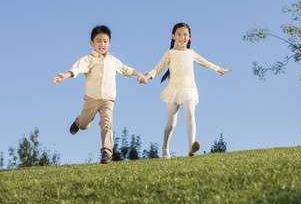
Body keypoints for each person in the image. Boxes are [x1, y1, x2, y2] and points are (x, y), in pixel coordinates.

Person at [52, 25, 145, 164]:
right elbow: (77, 68)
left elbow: (125, 69)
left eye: (105, 41)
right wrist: (65, 76)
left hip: (108, 99)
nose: (102, 44)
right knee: (84, 125)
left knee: (106, 123)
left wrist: (139, 75)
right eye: (98, 41)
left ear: (109, 43)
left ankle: (106, 152)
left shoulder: (113, 61)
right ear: (92, 43)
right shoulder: (88, 59)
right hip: (92, 98)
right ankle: (79, 121)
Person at [139, 23, 231, 159]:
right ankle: (165, 148)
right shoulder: (170, 53)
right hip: (173, 90)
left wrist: (219, 69)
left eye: (185, 34)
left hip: (189, 89)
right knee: (171, 124)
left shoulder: (191, 53)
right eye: (179, 34)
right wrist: (148, 76)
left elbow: (205, 62)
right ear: (173, 36)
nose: (182, 37)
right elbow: (158, 68)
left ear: (190, 36)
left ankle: (191, 147)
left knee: (190, 114)